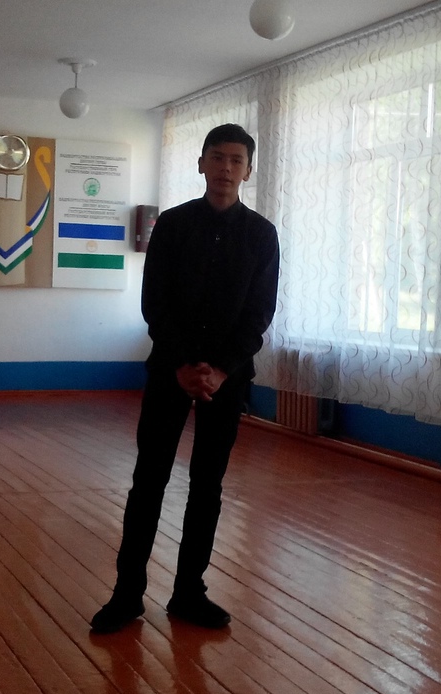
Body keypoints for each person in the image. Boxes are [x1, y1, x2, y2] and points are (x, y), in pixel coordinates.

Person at [91, 124, 280, 633]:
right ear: (200, 164)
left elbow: (259, 313)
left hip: (228, 378)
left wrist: (219, 369)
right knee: (148, 480)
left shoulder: (261, 235)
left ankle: (188, 593)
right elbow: (154, 303)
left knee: (207, 486)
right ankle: (127, 595)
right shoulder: (172, 226)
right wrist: (183, 366)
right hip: (169, 372)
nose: (225, 169)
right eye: (217, 158)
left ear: (248, 170)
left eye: (236, 160)